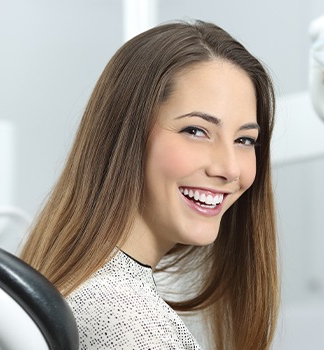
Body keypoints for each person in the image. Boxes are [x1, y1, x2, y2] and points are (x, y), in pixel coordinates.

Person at [20, 20, 279, 350]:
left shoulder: (88, 292)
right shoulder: (129, 320)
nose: (229, 168)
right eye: (196, 131)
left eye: (244, 139)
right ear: (126, 137)